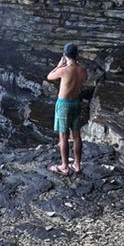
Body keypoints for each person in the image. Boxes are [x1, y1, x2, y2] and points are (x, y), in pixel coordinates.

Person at [47, 43, 87, 175]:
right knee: (76, 135)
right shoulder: (82, 70)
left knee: (63, 136)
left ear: (64, 55)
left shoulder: (63, 70)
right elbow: (84, 80)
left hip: (64, 104)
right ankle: (77, 164)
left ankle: (64, 166)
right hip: (76, 102)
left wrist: (59, 65)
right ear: (77, 54)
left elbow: (49, 76)